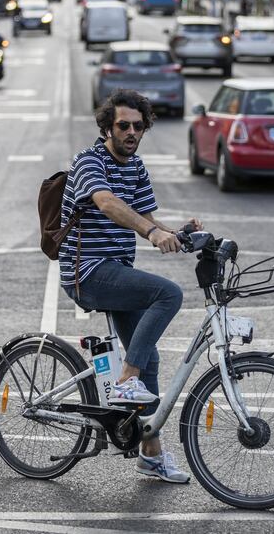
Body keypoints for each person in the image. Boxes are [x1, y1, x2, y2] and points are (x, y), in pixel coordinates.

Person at [60, 89, 203, 484]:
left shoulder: (136, 167)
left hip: (116, 272)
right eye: (123, 125)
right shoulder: (89, 161)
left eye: (138, 126)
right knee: (167, 294)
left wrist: (178, 233)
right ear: (108, 126)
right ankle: (125, 382)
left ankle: (150, 453)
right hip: (87, 272)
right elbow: (107, 203)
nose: (131, 132)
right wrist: (152, 231)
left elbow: (146, 217)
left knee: (150, 360)